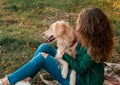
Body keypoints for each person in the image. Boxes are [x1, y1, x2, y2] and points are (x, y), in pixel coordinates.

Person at [0, 7, 114, 85]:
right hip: (78, 71)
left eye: (80, 23)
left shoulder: (91, 49)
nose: (77, 25)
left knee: (42, 57)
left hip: (80, 81)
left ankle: (7, 81)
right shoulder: (91, 39)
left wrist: (64, 55)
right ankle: (25, 79)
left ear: (88, 27)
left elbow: (80, 69)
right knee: (43, 47)